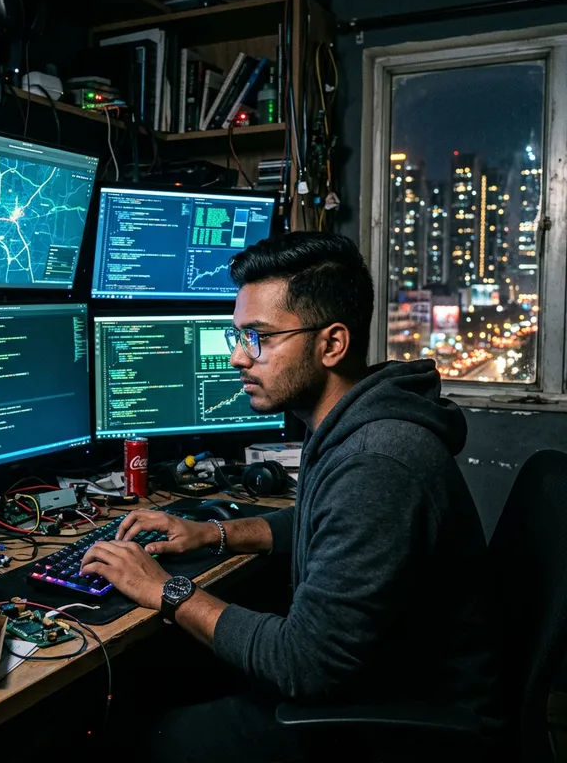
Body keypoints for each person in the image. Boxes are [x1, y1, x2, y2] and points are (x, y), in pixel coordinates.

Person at [80, 232, 499, 762]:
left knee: (130, 738)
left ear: (331, 344)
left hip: (399, 724)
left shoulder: (377, 462)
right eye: (238, 336)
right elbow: (321, 521)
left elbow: (305, 665)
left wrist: (164, 589)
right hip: (378, 680)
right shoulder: (361, 421)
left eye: (258, 337)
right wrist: (214, 533)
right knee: (164, 677)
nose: (237, 357)